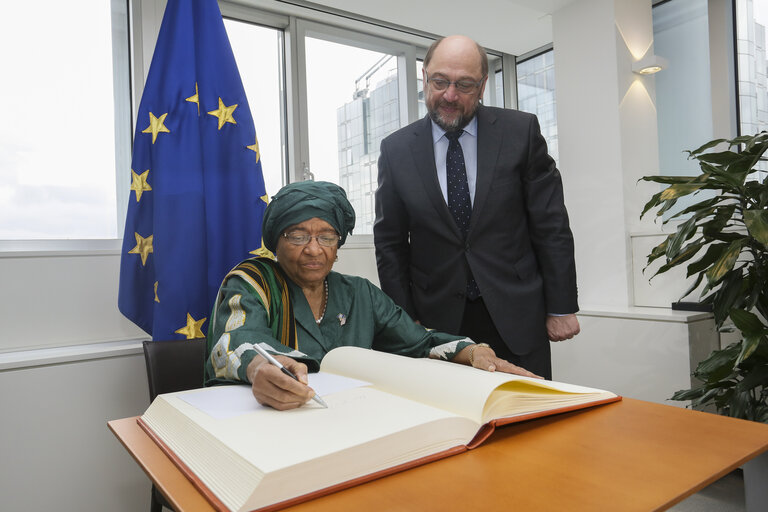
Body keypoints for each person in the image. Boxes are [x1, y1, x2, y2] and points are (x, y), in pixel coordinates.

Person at [205, 180, 538, 410]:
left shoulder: (359, 292)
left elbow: (419, 342)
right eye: (297, 236)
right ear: (276, 242)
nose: (313, 250)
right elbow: (235, 341)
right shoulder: (253, 281)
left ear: (338, 245)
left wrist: (474, 351)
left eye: (326, 236)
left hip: (348, 423)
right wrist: (258, 369)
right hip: (267, 425)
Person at [374, 35, 579, 380]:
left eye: (464, 85)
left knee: (528, 416)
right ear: (424, 77)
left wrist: (561, 306)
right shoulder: (395, 150)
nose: (450, 95)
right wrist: (404, 318)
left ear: (483, 85)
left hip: (516, 314)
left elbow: (550, 224)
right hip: (436, 323)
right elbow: (390, 243)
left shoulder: (521, 132)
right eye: (440, 82)